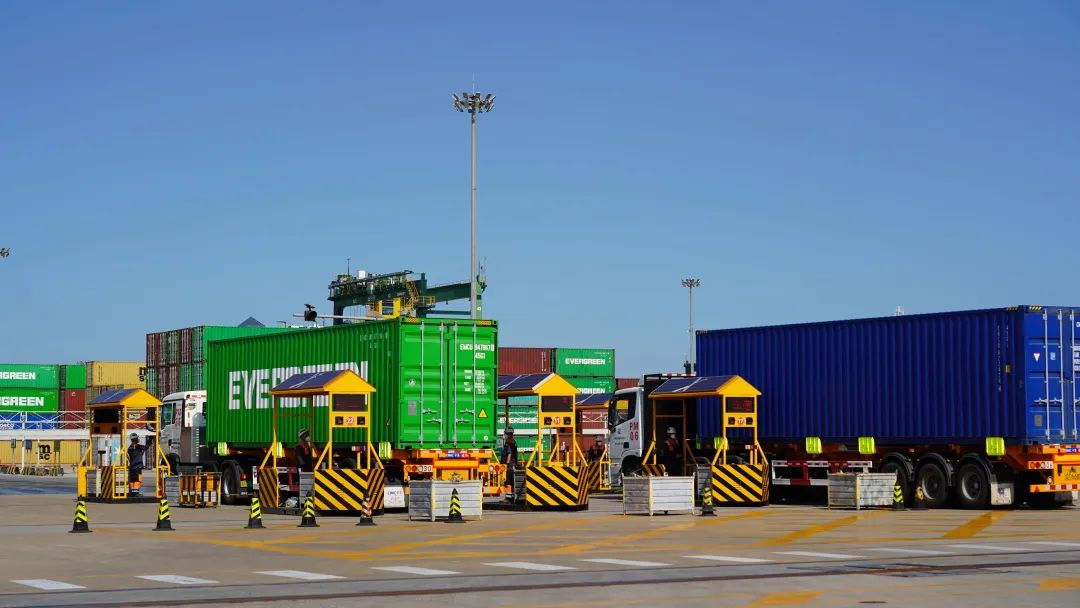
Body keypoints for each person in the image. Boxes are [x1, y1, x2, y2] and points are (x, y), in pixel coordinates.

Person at [502, 428, 519, 499]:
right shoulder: (513, 442)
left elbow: (509, 454)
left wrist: (507, 464)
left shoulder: (509, 443)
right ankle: (510, 495)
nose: (504, 436)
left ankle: (509, 496)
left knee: (508, 480)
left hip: (510, 465)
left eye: (505, 434)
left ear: (508, 435)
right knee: (510, 480)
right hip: (512, 464)